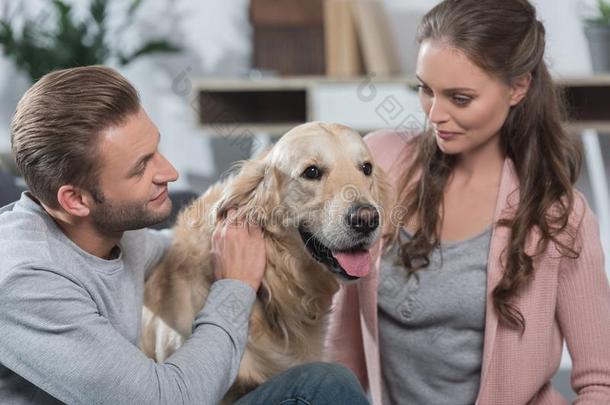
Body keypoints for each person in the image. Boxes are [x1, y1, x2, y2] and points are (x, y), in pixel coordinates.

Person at [0, 66, 369, 405]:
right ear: (76, 199)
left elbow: (177, 248)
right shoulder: (24, 281)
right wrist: (236, 286)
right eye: (141, 167)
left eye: (155, 149)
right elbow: (166, 400)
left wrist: (235, 211)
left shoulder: (110, 232)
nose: (170, 172)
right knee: (324, 386)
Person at [326, 0, 610, 404]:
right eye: (426, 90)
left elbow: (601, 384)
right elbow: (339, 343)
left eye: (460, 99)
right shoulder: (378, 163)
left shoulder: (558, 214)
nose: (434, 115)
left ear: (518, 88)